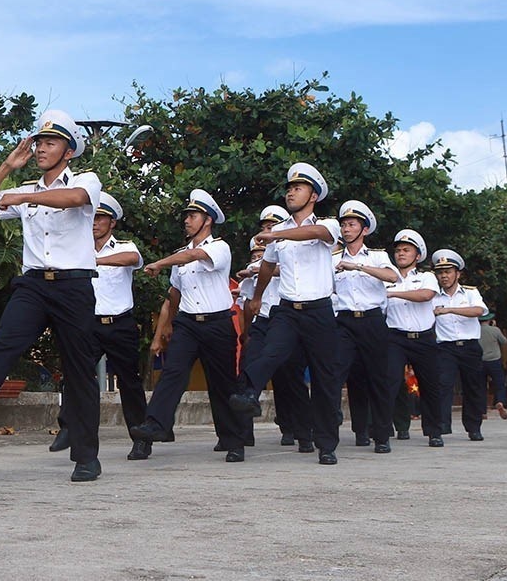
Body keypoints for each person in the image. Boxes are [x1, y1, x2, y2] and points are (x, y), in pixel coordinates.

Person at [0, 110, 103, 483]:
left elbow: (74, 198)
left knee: (80, 371)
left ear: (68, 151)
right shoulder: (26, 187)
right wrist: (7, 166)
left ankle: (86, 456)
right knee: (6, 342)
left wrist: (23, 195)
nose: (42, 148)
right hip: (33, 283)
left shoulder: (85, 180)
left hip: (73, 285)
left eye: (51, 143)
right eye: (40, 142)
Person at [230, 163, 343, 465]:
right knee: (270, 352)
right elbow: (266, 266)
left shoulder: (328, 225)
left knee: (325, 378)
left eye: (299, 188)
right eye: (290, 188)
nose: (291, 192)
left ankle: (326, 443)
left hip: (319, 310)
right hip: (288, 309)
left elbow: (318, 232)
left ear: (314, 196)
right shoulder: (276, 233)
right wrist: (255, 298)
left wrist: (278, 236)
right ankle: (248, 394)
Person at [130, 190, 248, 462]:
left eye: (192, 216)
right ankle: (153, 428)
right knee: (172, 375)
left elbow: (193, 256)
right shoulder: (180, 255)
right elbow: (174, 293)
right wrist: (165, 328)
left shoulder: (219, 247)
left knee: (223, 384)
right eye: (186, 216)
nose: (186, 221)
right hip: (187, 324)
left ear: (207, 220)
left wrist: (159, 262)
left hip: (217, 323)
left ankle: (233, 440)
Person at [48, 191, 149, 461]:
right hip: (87, 324)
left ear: (112, 223)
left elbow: (131, 260)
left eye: (101, 218)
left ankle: (140, 438)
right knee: (75, 375)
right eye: (91, 217)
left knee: (130, 383)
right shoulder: (75, 248)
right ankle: (68, 428)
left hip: (119, 324)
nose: (94, 223)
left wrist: (95, 261)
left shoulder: (124, 246)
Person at [332, 200, 399, 454]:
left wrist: (358, 266)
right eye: (344, 225)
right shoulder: (333, 258)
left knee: (378, 379)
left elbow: (393, 277)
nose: (346, 229)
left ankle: (381, 435)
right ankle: (332, 428)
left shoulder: (378, 256)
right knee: (335, 373)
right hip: (345, 321)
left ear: (364, 230)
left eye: (351, 225)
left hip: (372, 320)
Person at [382, 229, 444, 447]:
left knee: (430, 385)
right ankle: (383, 432)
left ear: (417, 256)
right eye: (398, 250)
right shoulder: (386, 277)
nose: (401, 254)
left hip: (423, 338)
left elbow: (425, 295)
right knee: (389, 382)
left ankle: (434, 432)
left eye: (406, 250)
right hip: (395, 336)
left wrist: (393, 293)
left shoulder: (426, 277)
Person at [431, 250, 487, 441]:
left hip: (469, 346)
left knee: (473, 387)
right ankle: (440, 427)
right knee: (442, 386)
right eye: (440, 272)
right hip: (444, 347)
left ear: (458, 273)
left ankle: (474, 427)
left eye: (448, 271)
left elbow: (479, 310)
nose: (444, 276)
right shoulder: (433, 295)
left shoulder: (470, 292)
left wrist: (449, 310)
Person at [478, 314, 507, 420]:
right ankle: (500, 401)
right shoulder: (495, 330)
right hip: (494, 360)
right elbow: (504, 341)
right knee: (499, 383)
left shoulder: (475, 330)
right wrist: (495, 327)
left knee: (481, 386)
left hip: (480, 361)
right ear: (490, 320)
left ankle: (482, 411)